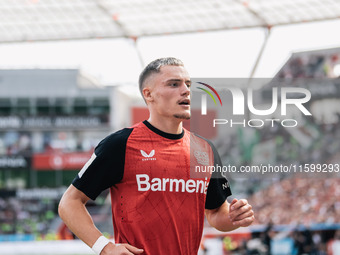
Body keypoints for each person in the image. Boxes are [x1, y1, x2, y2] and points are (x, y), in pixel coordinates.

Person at [58, 57, 254, 255]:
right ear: (148, 94)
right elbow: (69, 203)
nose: (186, 90)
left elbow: (216, 212)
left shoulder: (204, 150)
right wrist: (104, 247)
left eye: (188, 84)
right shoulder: (120, 144)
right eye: (174, 84)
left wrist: (234, 217)